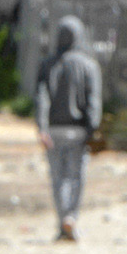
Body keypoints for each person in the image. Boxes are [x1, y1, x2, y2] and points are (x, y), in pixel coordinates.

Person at [35, 15, 104, 242]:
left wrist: (42, 128)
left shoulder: (47, 65)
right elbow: (94, 102)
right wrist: (93, 130)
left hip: (53, 131)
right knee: (75, 177)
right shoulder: (89, 66)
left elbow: (42, 99)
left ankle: (62, 219)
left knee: (57, 178)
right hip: (78, 132)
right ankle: (71, 218)